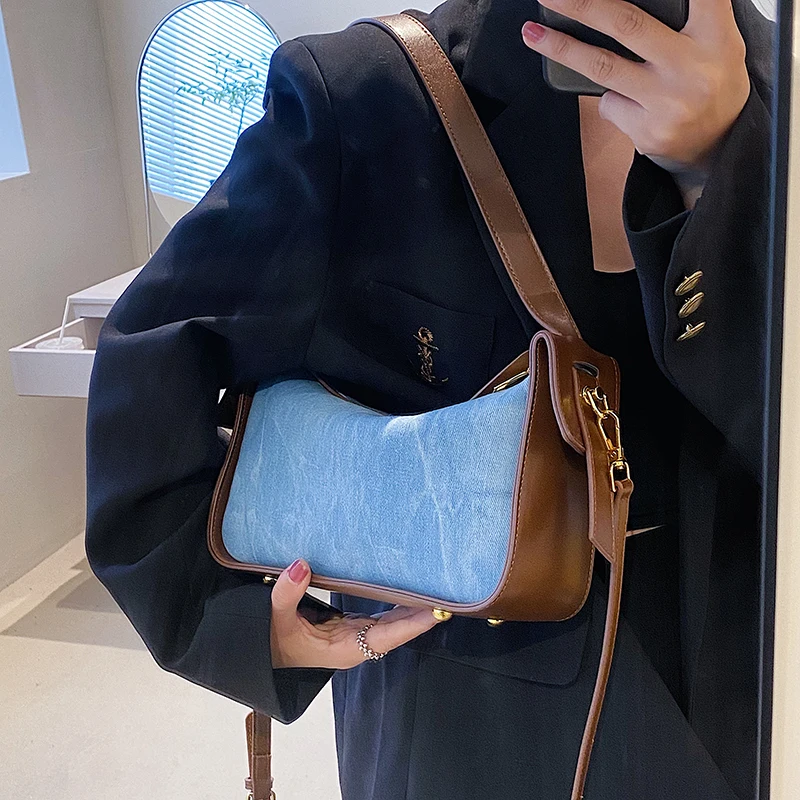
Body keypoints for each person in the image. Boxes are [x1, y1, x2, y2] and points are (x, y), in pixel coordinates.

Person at [85, 0, 772, 796]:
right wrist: (233, 621)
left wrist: (728, 172)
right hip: (466, 711)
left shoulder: (778, 96)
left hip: (746, 688)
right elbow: (156, 355)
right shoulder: (372, 97)